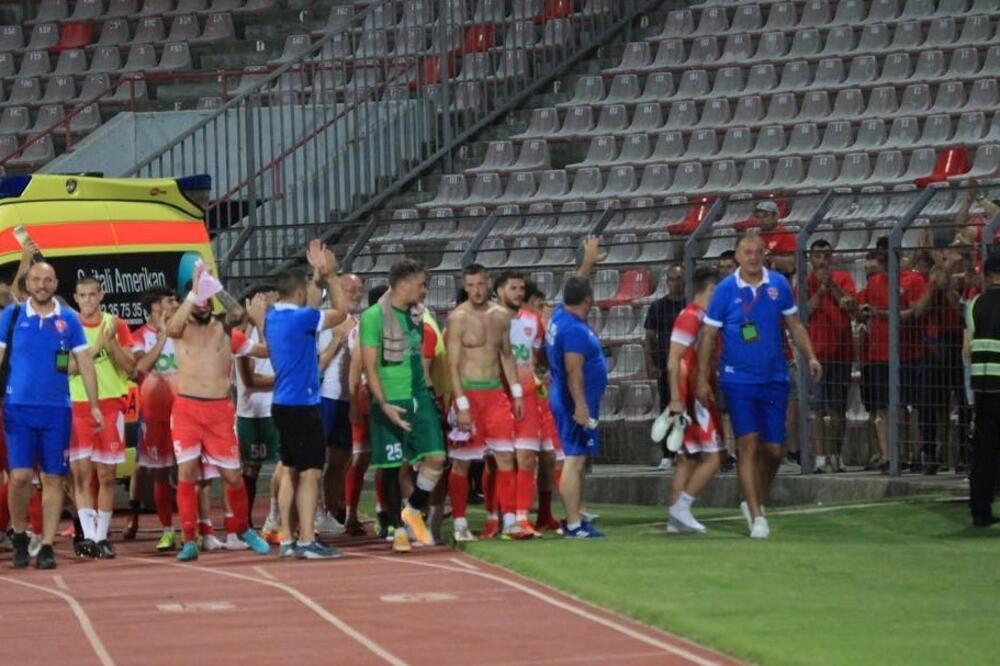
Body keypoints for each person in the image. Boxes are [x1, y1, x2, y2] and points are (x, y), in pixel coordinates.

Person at [696, 234, 822, 539]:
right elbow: (709, 337)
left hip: (774, 377)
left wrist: (811, 357)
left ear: (764, 255)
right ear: (738, 256)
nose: (753, 257)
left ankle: (756, 500)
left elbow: (794, 325)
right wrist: (702, 377)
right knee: (747, 445)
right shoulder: (725, 291)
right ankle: (756, 515)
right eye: (747, 252)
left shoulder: (778, 285)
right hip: (737, 379)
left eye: (758, 252)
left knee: (775, 450)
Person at [165, 263, 271, 562]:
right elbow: (172, 327)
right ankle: (189, 539)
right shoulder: (181, 328)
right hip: (186, 410)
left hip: (219, 412)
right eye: (197, 298)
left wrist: (215, 287)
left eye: (205, 298)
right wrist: (192, 293)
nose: (202, 303)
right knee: (186, 474)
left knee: (233, 476)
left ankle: (242, 528)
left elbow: (239, 316)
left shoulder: (226, 330)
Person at [0, 262, 103, 569]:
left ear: (55, 283)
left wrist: (95, 404)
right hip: (17, 408)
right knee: (18, 477)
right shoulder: (11, 315)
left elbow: (84, 361)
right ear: (27, 284)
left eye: (47, 279)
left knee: (53, 478)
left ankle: (45, 544)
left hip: (57, 410)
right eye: (36, 279)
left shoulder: (69, 320)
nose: (41, 284)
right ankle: (19, 535)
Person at [264, 240, 347, 560]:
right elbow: (339, 312)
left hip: (282, 403)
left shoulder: (273, 317)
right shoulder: (302, 319)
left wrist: (316, 274)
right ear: (299, 294)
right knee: (311, 471)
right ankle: (308, 538)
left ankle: (287, 536)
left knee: (290, 469)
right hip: (303, 405)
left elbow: (309, 300)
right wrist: (332, 276)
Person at [360, 258, 447, 551]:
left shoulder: (416, 315)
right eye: (422, 284)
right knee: (391, 465)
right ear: (405, 284)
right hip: (389, 398)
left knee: (436, 457)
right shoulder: (373, 317)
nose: (424, 291)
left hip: (418, 395)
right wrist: (382, 403)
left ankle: (412, 510)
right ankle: (398, 529)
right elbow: (370, 366)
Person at [446, 264, 525, 540]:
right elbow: (452, 366)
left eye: (480, 284)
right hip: (469, 394)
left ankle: (512, 520)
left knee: (505, 457)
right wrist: (462, 404)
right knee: (462, 462)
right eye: (471, 285)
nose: (477, 290)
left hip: (495, 394)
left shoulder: (501, 316)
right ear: (465, 286)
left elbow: (506, 355)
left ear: (487, 283)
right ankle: (459, 523)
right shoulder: (457, 318)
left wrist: (516, 392)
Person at [68, 277, 137, 559]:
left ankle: (100, 536)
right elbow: (64, 367)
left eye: (92, 295)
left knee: (107, 475)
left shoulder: (115, 324)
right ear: (75, 298)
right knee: (82, 474)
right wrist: (94, 350)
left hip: (109, 405)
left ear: (101, 295)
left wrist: (110, 346)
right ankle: (88, 535)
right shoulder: (67, 326)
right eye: (82, 295)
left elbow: (131, 367)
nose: (87, 300)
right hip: (76, 405)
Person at [546, 275, 607, 539]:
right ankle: (572, 524)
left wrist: (588, 264)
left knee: (578, 460)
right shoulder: (574, 330)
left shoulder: (560, 314)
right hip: (573, 402)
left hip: (563, 396)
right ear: (588, 300)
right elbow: (574, 370)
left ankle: (577, 519)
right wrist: (581, 406)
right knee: (574, 460)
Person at [665, 267, 723, 534]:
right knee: (713, 456)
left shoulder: (698, 316)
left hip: (692, 392)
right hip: (691, 396)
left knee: (688, 458)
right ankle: (682, 508)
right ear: (710, 289)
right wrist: (677, 399)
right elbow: (673, 359)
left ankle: (675, 519)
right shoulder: (692, 317)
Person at [129, 287, 181, 550]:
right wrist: (162, 336)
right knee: (159, 474)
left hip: (184, 412)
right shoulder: (139, 336)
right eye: (169, 301)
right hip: (154, 414)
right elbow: (141, 366)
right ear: (155, 309)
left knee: (188, 471)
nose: (175, 304)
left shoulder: (183, 331)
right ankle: (167, 530)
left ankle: (198, 528)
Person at [317, 273, 364, 535]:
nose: (356, 294)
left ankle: (334, 510)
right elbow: (321, 363)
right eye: (350, 289)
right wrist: (338, 338)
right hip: (328, 395)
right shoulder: (329, 319)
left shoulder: (362, 321)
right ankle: (315, 511)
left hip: (349, 397)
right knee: (317, 458)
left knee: (341, 459)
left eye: (359, 289)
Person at [805, 240, 857, 473]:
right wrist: (820, 290)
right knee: (816, 407)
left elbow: (851, 307)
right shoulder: (806, 282)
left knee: (837, 407)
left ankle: (836, 455)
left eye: (826, 256)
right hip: (815, 353)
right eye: (817, 256)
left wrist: (833, 286)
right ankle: (819, 458)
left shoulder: (843, 278)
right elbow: (804, 311)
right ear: (810, 258)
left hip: (841, 352)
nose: (822, 261)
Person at [235, 287, 281, 533]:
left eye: (272, 296)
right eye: (263, 297)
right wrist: (284, 378)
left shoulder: (274, 330)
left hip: (275, 409)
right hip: (251, 412)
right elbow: (250, 379)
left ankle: (276, 518)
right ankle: (244, 519)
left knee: (284, 464)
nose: (269, 301)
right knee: (250, 468)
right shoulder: (244, 335)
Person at [964, 250, 1000, 527]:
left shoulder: (974, 303)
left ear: (987, 276)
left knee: (983, 451)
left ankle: (980, 510)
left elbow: (967, 351)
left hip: (983, 389)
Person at [643, 264, 686, 471]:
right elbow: (649, 338)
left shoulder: (690, 305)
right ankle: (667, 454)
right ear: (667, 282)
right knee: (667, 409)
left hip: (688, 366)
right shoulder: (657, 307)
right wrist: (650, 363)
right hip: (665, 367)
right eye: (672, 279)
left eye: (679, 279)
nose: (676, 283)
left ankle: (687, 451)